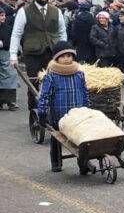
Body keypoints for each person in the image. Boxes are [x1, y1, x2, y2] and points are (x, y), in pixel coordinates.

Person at [9, 0, 67, 110]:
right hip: (32, 54)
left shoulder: (56, 11)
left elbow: (62, 33)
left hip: (52, 53)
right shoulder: (24, 11)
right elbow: (16, 34)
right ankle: (34, 113)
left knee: (54, 83)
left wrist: (63, 51)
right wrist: (13, 55)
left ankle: (54, 111)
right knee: (33, 84)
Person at [35, 41, 89, 172]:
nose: (66, 59)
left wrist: (87, 108)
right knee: (56, 138)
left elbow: (85, 92)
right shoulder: (51, 76)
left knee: (80, 140)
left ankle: (83, 164)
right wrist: (42, 113)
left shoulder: (79, 74)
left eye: (69, 56)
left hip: (78, 114)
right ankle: (56, 162)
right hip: (59, 115)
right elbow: (44, 96)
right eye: (63, 56)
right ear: (57, 58)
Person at [0, 8, 19, 110]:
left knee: (10, 77)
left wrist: (2, 43)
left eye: (3, 15)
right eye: (1, 15)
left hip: (6, 54)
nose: (3, 17)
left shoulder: (7, 28)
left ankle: (11, 102)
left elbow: (11, 41)